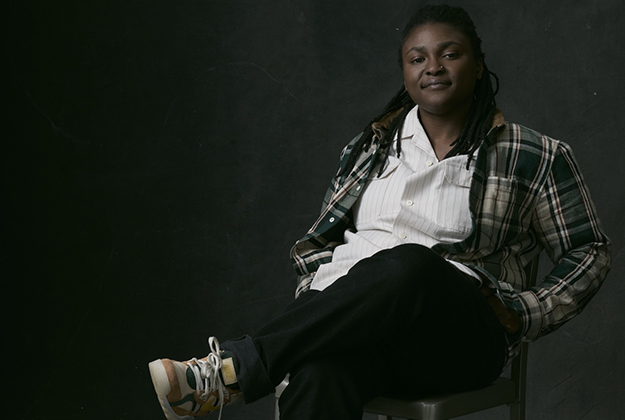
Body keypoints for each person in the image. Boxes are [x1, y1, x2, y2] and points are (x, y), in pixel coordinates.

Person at [148, 4, 611, 420]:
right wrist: (323, 305)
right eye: (417, 58)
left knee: (410, 264)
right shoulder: (368, 149)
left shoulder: (534, 154)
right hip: (362, 334)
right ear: (405, 73)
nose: (433, 67)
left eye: (450, 54)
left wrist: (524, 311)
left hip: (453, 341)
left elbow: (589, 250)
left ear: (477, 64)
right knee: (318, 377)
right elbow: (317, 246)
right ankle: (244, 368)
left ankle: (235, 370)